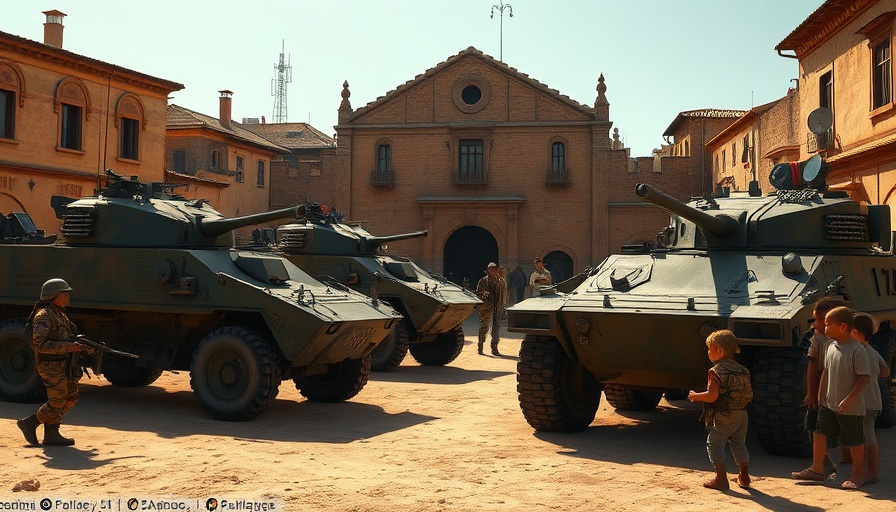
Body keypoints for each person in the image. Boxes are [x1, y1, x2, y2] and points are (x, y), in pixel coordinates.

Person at [793, 306, 871, 490]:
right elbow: (826, 372)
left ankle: (858, 473)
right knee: (819, 431)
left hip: (850, 406)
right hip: (828, 403)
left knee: (853, 439)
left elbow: (864, 378)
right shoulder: (829, 346)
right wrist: (820, 396)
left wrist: (851, 399)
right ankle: (817, 469)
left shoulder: (857, 350)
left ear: (843, 326)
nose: (824, 328)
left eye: (828, 325)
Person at [16, 278, 93, 447]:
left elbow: (66, 338)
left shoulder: (60, 314)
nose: (68, 297)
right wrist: (68, 347)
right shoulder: (44, 316)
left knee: (71, 397)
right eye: (65, 293)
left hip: (64, 363)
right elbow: (39, 344)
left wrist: (81, 348)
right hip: (50, 365)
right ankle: (30, 423)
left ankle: (52, 434)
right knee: (57, 401)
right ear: (55, 296)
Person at [688, 330, 753, 490]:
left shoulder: (715, 371)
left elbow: (712, 395)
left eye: (710, 349)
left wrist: (696, 396)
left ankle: (721, 478)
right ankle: (744, 475)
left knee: (714, 444)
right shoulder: (743, 370)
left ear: (719, 349)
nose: (708, 352)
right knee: (739, 444)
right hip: (742, 413)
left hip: (724, 414)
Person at [803, 297, 844, 478]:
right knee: (817, 426)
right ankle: (822, 465)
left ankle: (849, 463)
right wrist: (811, 393)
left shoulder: (847, 341)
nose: (815, 324)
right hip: (821, 390)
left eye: (819, 320)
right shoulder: (818, 338)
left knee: (845, 428)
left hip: (840, 390)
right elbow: (813, 365)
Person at [850, 312, 890, 484]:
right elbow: (886, 370)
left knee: (867, 437)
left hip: (865, 401)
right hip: (872, 398)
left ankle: (871, 472)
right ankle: (867, 470)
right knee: (866, 435)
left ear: (856, 331)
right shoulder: (872, 351)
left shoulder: (859, 351)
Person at [476, 262, 507, 356]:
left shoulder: (501, 281)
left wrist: (503, 306)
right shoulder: (483, 281)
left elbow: (504, 294)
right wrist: (485, 296)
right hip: (486, 308)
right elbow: (479, 293)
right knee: (484, 327)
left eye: (495, 269)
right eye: (492, 269)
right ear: (488, 271)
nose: (494, 271)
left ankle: (494, 348)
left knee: (496, 327)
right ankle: (480, 346)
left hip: (498, 307)